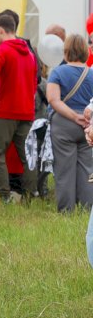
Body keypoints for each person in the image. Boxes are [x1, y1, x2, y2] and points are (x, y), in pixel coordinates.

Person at [0, 12, 38, 203]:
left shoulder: (1, 50)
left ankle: (5, 196)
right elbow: (34, 83)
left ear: (0, 30)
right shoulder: (30, 53)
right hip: (26, 111)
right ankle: (31, 194)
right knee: (27, 155)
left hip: (5, 111)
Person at [46, 34, 93, 212]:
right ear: (85, 51)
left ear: (65, 51)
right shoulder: (92, 73)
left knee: (64, 168)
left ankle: (66, 209)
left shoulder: (57, 72)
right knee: (88, 167)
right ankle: (88, 208)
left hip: (64, 123)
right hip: (89, 124)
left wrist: (74, 116)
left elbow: (53, 99)